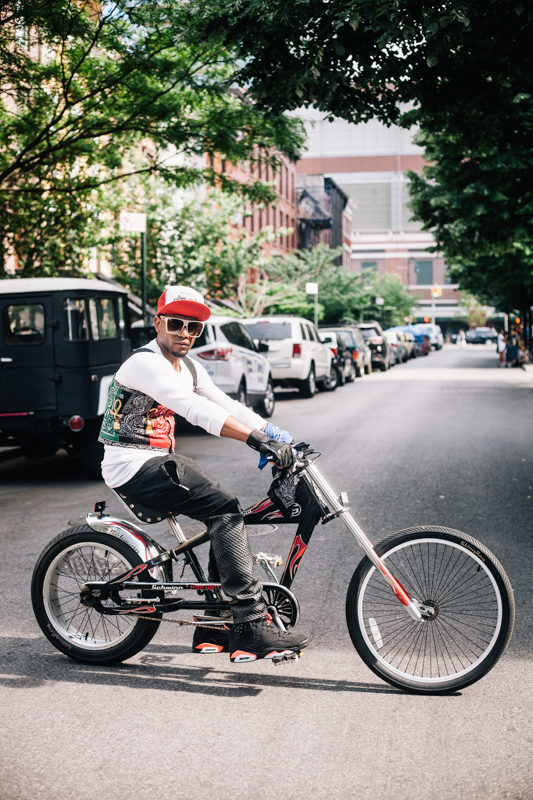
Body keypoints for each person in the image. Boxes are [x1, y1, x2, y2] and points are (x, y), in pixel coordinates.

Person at [98, 285, 310, 663]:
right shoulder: (145, 363)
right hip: (131, 463)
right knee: (224, 508)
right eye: (176, 323)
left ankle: (213, 625)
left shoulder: (189, 366)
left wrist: (273, 432)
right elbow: (195, 409)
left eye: (193, 328)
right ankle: (249, 623)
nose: (184, 333)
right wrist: (257, 441)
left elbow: (224, 403)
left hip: (155, 458)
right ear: (157, 322)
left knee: (223, 514)